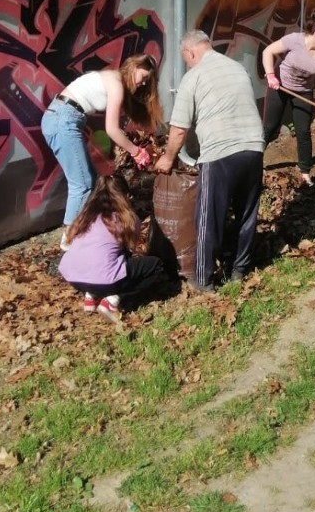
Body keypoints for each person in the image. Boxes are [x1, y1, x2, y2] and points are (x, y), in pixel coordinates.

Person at [153, 31, 264, 292]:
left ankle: (203, 280)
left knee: (208, 217)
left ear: (191, 53)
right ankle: (238, 269)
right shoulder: (238, 69)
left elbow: (179, 128)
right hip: (254, 147)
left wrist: (168, 158)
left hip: (220, 152)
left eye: (186, 59)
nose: (187, 64)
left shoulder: (194, 77)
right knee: (246, 213)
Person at [41, 54, 162, 250]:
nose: (142, 84)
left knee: (92, 181)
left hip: (64, 118)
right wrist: (136, 151)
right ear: (135, 66)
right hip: (63, 119)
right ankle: (70, 240)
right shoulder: (116, 84)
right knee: (82, 183)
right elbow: (112, 129)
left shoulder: (114, 79)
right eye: (144, 78)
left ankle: (88, 230)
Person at [58, 174, 165, 320]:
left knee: (106, 259)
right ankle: (115, 299)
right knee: (156, 265)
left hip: (73, 277)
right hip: (103, 277)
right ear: (126, 196)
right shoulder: (127, 218)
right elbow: (130, 249)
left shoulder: (84, 216)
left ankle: (92, 295)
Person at [261, 10, 315, 186]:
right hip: (279, 86)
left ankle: (305, 173)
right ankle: (253, 161)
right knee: (270, 128)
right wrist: (271, 75)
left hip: (303, 92)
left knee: (303, 131)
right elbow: (268, 51)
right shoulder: (295, 40)